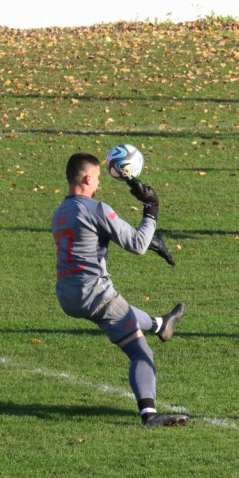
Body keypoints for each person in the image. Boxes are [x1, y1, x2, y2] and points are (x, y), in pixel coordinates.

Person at [51, 153, 187, 427]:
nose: (98, 184)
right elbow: (137, 243)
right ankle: (149, 415)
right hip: (96, 295)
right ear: (88, 178)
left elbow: (90, 238)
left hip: (67, 296)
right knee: (141, 353)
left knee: (122, 312)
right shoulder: (96, 209)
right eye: (98, 179)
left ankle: (160, 325)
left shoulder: (60, 212)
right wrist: (151, 208)